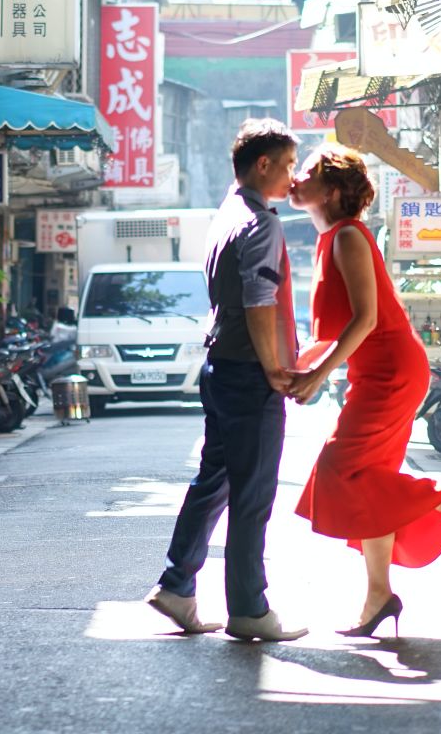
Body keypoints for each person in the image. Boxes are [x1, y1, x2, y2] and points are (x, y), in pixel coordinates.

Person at [286, 144, 441, 638]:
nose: (295, 179)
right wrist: (300, 365)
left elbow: (366, 320)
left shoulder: (348, 236)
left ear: (330, 191)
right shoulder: (330, 240)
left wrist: (318, 374)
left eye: (305, 172)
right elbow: (335, 330)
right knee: (369, 480)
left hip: (391, 371)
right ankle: (378, 596)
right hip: (377, 372)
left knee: (339, 470)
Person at [145, 119, 309, 643]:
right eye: (287, 166)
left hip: (219, 367)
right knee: (251, 496)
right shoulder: (260, 223)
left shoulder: (227, 213)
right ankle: (249, 608)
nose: (293, 177)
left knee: (213, 481)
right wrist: (274, 369)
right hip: (247, 374)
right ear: (263, 165)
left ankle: (177, 585)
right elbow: (260, 303)